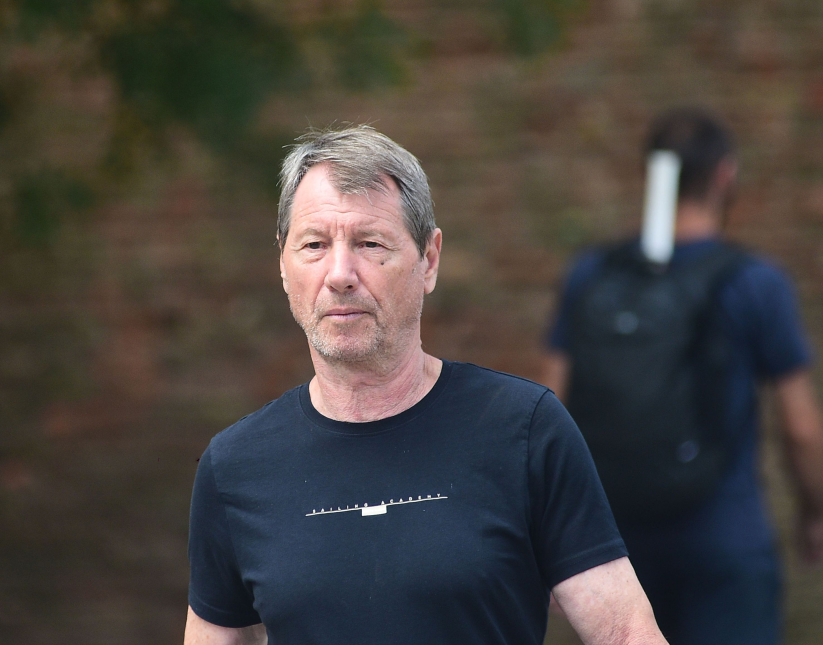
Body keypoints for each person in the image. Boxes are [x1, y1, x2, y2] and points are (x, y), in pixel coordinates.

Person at [185, 125, 668, 645]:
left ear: (429, 260)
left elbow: (625, 633)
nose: (340, 273)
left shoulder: (523, 429)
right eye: (315, 245)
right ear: (283, 264)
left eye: (370, 244)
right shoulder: (234, 467)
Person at [543, 108, 823, 645]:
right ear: (725, 175)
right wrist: (814, 512)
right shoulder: (755, 281)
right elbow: (802, 428)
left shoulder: (592, 274)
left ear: (650, 174)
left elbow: (549, 408)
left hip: (615, 550)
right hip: (725, 541)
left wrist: (553, 538)